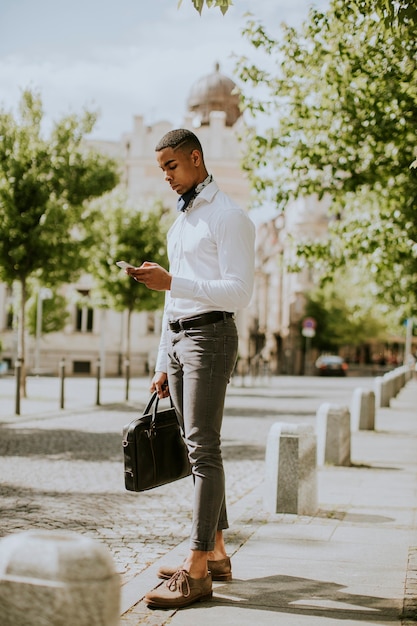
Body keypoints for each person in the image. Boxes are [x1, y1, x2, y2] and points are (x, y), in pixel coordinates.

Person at [126, 128, 255, 610]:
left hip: (211, 336)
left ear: (196, 159)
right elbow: (172, 300)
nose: (166, 177)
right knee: (192, 444)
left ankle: (198, 568)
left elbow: (239, 293)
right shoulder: (180, 225)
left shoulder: (230, 217)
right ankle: (217, 553)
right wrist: (162, 360)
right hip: (180, 338)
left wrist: (171, 279)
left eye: (171, 167)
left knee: (204, 448)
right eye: (161, 169)